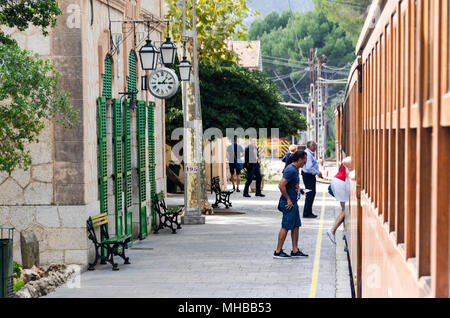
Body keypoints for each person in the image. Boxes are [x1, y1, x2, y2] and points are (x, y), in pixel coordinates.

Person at [274, 151, 309, 259]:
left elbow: (290, 185)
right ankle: (278, 251)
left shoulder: (294, 170)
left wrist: (299, 190)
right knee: (286, 226)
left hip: (293, 202)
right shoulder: (291, 170)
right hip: (288, 204)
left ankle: (295, 250)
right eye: (304, 161)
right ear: (299, 160)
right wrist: (288, 199)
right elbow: (281, 185)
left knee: (295, 226)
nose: (305, 163)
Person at [327, 157, 352, 245]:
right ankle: (332, 230)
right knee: (345, 210)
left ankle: (344, 230)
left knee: (344, 210)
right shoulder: (351, 159)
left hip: (338, 181)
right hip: (341, 182)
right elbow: (345, 162)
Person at [302, 141, 323, 219]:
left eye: (315, 145)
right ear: (309, 146)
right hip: (308, 176)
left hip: (309, 175)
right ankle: (307, 213)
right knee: (310, 194)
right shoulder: (308, 154)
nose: (315, 147)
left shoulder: (309, 153)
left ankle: (308, 212)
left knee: (311, 194)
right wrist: (318, 173)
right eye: (313, 145)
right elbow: (309, 167)